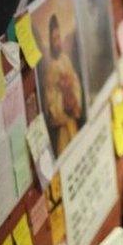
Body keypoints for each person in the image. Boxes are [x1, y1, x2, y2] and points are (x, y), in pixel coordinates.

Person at [42, 14, 84, 154]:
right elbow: (51, 105)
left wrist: (74, 99)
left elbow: (76, 84)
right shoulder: (50, 70)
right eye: (54, 39)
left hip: (74, 125)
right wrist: (65, 100)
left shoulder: (65, 59)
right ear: (50, 41)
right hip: (62, 132)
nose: (58, 42)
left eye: (59, 37)